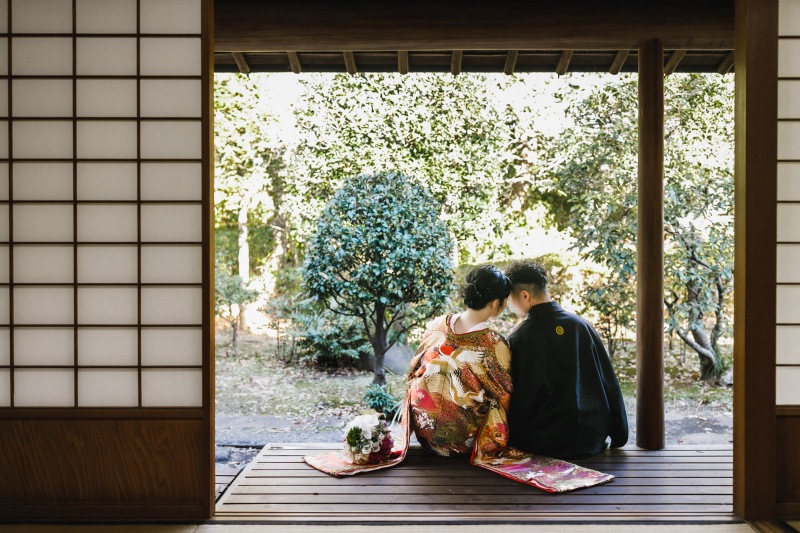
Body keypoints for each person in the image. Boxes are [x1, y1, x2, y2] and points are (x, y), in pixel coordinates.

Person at [305, 264, 617, 493]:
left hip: (426, 434)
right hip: (464, 442)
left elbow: (414, 367)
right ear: (496, 303)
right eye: (504, 300)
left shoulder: (438, 324)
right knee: (497, 400)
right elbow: (507, 393)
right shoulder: (495, 343)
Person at [504, 260, 629, 460]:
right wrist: (620, 435)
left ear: (524, 295)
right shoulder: (582, 326)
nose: (511, 305)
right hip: (591, 438)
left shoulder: (519, 338)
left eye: (511, 299)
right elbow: (609, 383)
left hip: (543, 442)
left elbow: (518, 398)